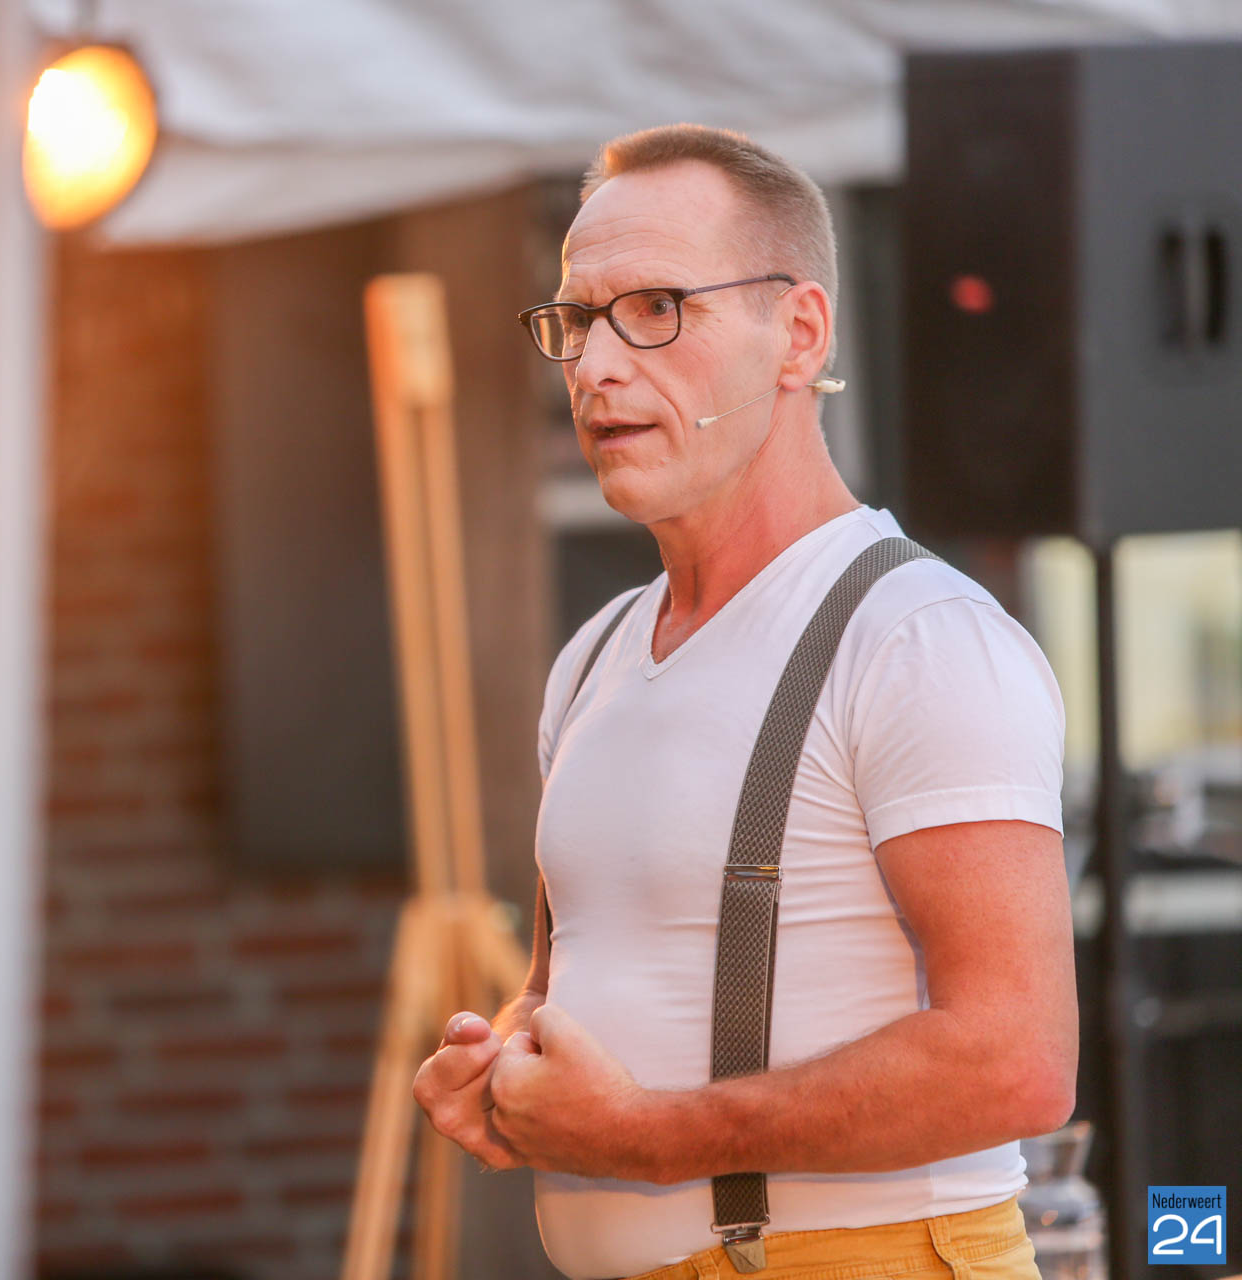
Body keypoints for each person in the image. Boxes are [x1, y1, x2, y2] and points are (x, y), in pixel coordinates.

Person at [411, 123, 1076, 1280]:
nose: (597, 364)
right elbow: (576, 980)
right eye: (578, 319)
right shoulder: (595, 654)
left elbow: (1016, 1060)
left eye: (656, 307)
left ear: (799, 333)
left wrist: (647, 1137)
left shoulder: (918, 639)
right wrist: (507, 1065)